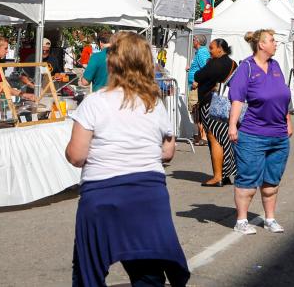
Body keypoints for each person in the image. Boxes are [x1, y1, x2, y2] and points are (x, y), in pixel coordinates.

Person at [65, 32, 188, 287]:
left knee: (89, 272)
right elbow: (167, 152)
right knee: (147, 271)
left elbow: (76, 156)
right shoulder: (154, 103)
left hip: (103, 194)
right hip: (147, 193)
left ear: (113, 62)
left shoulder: (94, 103)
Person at [228, 29, 292, 235]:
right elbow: (237, 99)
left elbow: (283, 96)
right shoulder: (245, 68)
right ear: (261, 45)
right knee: (247, 180)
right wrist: (232, 126)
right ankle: (241, 221)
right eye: (272, 40)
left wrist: (288, 121)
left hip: (279, 135)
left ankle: (270, 219)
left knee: (272, 181)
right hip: (253, 134)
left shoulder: (275, 66)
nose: (276, 43)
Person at [194, 38, 237, 187]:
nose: (210, 51)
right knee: (224, 139)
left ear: (220, 49)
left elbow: (198, 76)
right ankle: (225, 174)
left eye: (212, 48)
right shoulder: (232, 63)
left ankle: (218, 176)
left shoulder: (214, 64)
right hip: (226, 105)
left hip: (211, 105)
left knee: (214, 138)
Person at [187, 35, 211, 146]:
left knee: (197, 110)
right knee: (195, 110)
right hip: (195, 86)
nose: (192, 41)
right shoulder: (200, 52)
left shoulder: (202, 52)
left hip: (197, 87)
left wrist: (198, 82)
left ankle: (204, 136)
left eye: (193, 40)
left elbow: (206, 69)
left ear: (198, 42)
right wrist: (191, 69)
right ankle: (200, 135)